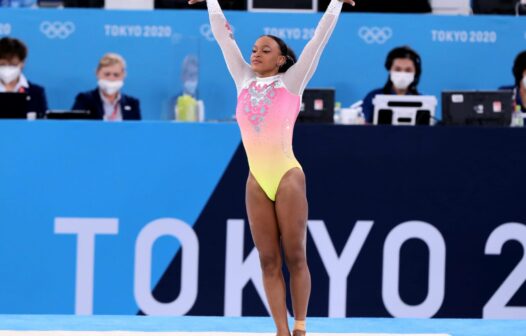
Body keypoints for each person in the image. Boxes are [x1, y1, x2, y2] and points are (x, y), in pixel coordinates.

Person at [189, 0, 355, 335]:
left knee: (295, 256)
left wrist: (335, 3)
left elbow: (318, 40)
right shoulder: (243, 80)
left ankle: (300, 326)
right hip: (256, 180)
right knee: (267, 260)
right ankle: (280, 330)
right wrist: (212, 2)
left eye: (266, 50)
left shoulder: (291, 82)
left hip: (287, 176)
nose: (256, 54)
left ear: (281, 59)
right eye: (254, 49)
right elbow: (224, 38)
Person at [361, 46, 422, 123]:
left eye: (408, 70)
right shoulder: (373, 97)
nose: (402, 74)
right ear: (389, 70)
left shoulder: (423, 102)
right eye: (397, 69)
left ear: (416, 72)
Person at [72, 53, 141, 121]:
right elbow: (74, 127)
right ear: (97, 73)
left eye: (116, 75)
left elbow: (137, 130)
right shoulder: (84, 100)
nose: (111, 78)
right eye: (107, 74)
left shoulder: (132, 103)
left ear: (123, 75)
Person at [0, 37, 48, 118]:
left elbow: (43, 124)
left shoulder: (36, 92)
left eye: (13, 64)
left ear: (22, 63)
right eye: (3, 64)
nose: (7, 68)